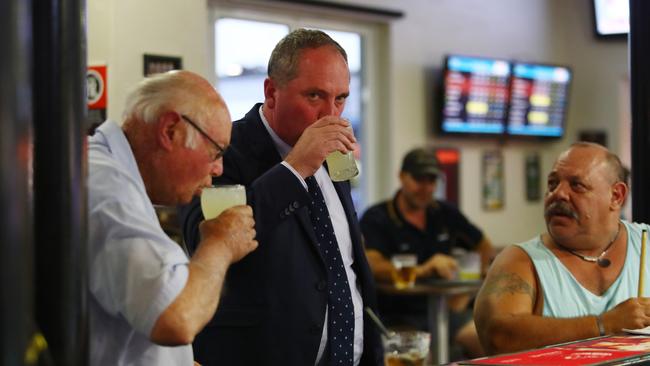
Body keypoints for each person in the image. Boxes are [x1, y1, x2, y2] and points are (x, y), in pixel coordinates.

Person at [180, 29, 383, 366]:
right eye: (315, 96)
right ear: (272, 92)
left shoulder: (334, 154)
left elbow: (346, 263)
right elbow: (203, 236)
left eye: (341, 98)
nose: (330, 115)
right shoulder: (222, 148)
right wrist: (294, 168)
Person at [88, 70, 258, 365]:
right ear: (170, 131)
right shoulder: (108, 189)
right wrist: (220, 243)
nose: (218, 170)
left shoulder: (111, 173)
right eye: (215, 152)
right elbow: (177, 317)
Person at [474, 142, 650, 355]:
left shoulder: (645, 243)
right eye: (552, 183)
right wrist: (602, 325)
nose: (558, 194)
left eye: (577, 185)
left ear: (616, 196)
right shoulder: (521, 261)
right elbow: (499, 335)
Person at [359, 147, 494, 359]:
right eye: (419, 179)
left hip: (445, 312)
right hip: (397, 316)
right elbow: (373, 266)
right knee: (420, 355)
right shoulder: (377, 218)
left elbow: (483, 245)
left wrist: (463, 292)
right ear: (402, 176)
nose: (426, 188)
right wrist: (422, 270)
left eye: (431, 181)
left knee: (486, 339)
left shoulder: (445, 213)